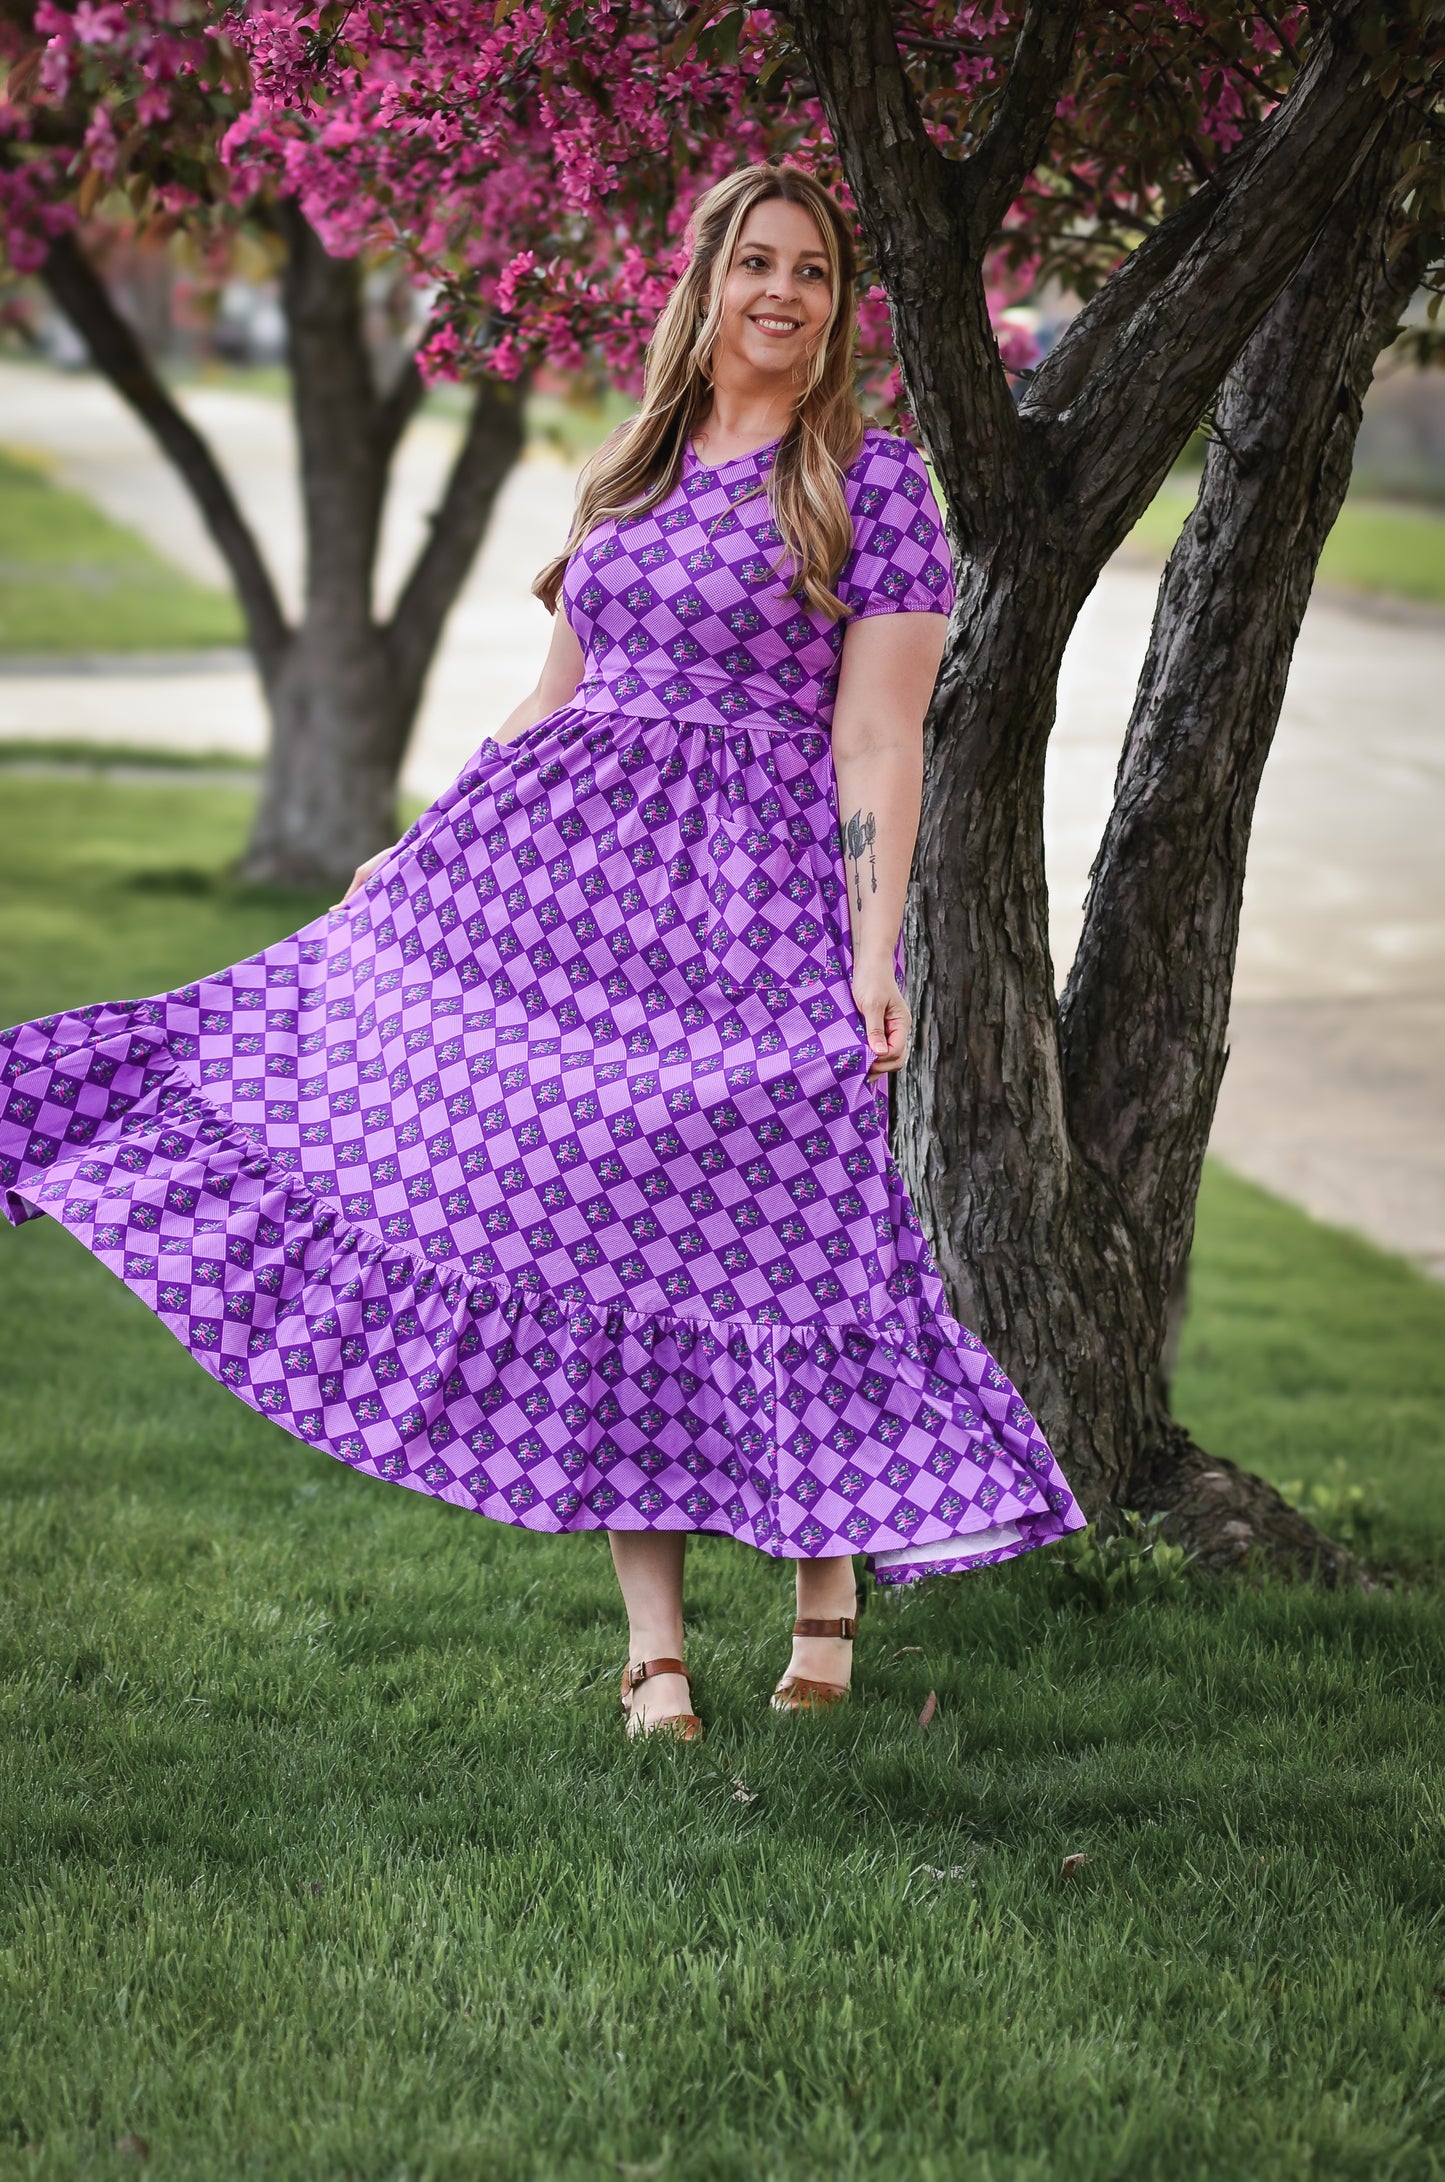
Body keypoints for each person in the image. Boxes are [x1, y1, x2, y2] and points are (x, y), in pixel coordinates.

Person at [0, 162, 1085, 1744]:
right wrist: (422, 842)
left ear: (839, 303)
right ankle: (654, 1647)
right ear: (704, 282)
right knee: (595, 1229)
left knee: (796, 1227)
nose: (781, 292)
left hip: (751, 905)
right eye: (752, 262)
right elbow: (550, 700)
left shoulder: (873, 485)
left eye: (810, 269)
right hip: (563, 902)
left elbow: (876, 736)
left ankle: (822, 1582)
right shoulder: (626, 475)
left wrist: (873, 947)